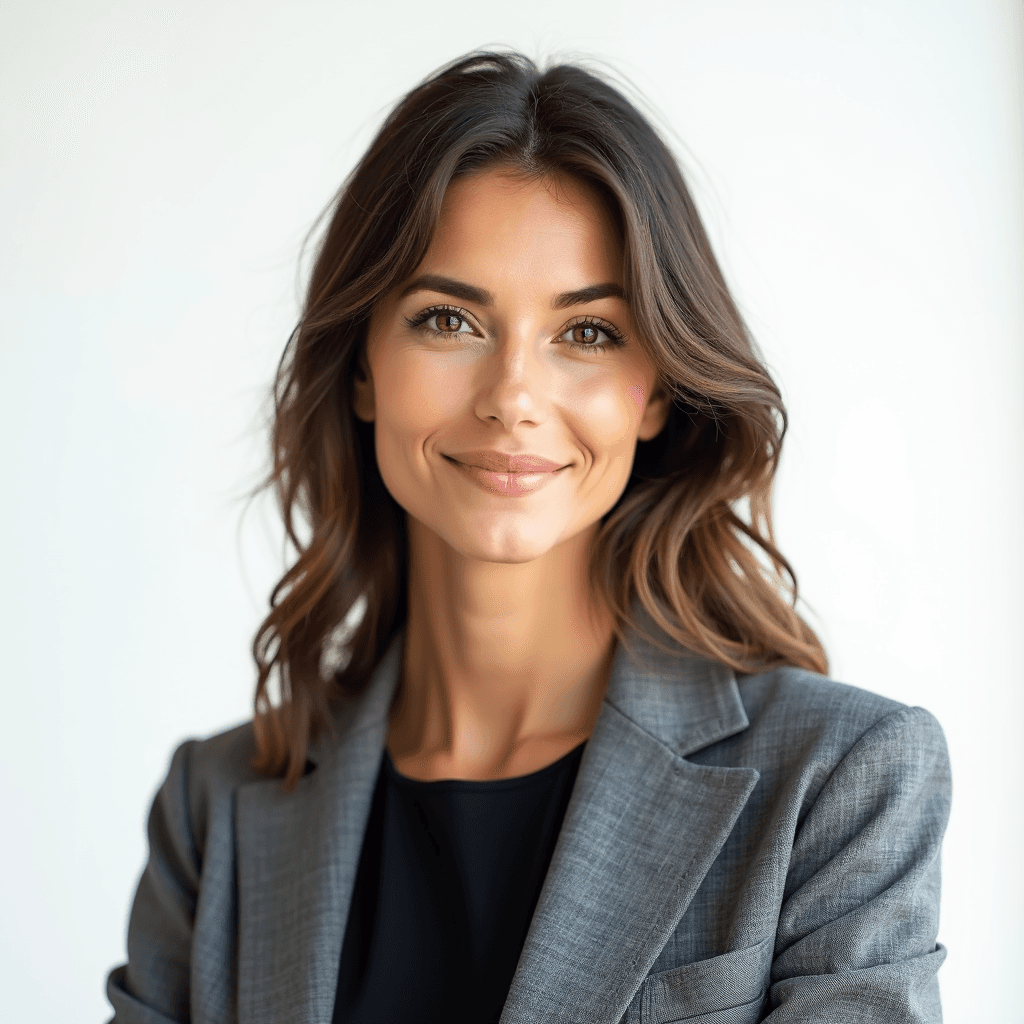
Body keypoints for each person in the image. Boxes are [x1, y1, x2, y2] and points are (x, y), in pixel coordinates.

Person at [105, 51, 951, 1024]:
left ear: (658, 391)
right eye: (449, 319)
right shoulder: (212, 809)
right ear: (362, 368)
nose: (512, 397)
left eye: (587, 333)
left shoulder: (841, 779)